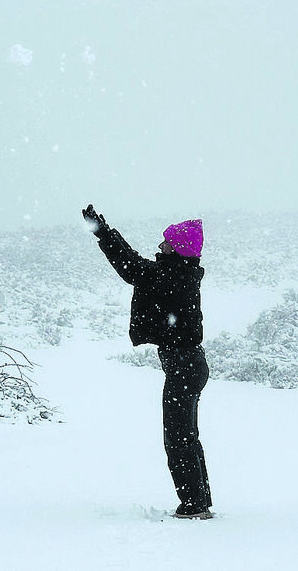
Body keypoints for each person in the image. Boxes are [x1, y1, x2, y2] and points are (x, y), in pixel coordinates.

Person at [82, 204, 213, 520]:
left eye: (166, 242)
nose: (160, 245)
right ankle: (199, 501)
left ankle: (194, 505)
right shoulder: (180, 273)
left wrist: (103, 233)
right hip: (189, 365)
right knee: (186, 437)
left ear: (178, 248)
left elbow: (131, 266)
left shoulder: (172, 275)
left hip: (184, 366)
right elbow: (137, 266)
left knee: (178, 439)